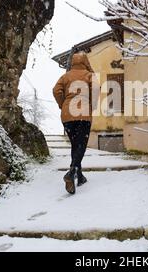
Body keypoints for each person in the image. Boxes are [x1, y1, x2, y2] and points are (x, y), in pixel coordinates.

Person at [53, 52, 99, 194]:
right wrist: (92, 105)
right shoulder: (89, 75)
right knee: (81, 145)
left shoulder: (65, 76)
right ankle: (71, 172)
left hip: (67, 116)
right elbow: (96, 90)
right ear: (85, 62)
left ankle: (79, 176)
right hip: (83, 115)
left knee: (75, 144)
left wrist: (63, 104)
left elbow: (56, 91)